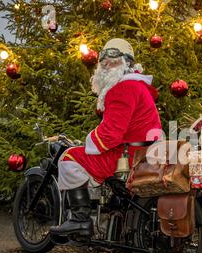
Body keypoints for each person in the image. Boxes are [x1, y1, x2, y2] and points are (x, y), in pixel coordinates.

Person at [50, 38, 162, 237]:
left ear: (126, 62)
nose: (104, 63)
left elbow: (110, 135)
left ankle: (80, 219)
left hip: (128, 155)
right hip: (144, 150)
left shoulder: (122, 89)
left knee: (69, 157)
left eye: (112, 59)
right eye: (102, 59)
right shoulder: (137, 86)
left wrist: (88, 141)